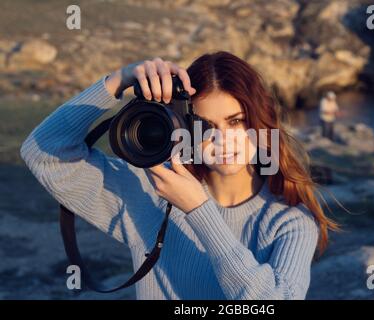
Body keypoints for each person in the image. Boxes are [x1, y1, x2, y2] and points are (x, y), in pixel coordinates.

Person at [20, 51, 338, 300]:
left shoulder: (290, 221)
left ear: (259, 123)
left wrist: (199, 210)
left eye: (236, 121)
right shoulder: (151, 193)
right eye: (205, 125)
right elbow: (43, 152)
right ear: (184, 126)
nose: (222, 140)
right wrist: (120, 80)